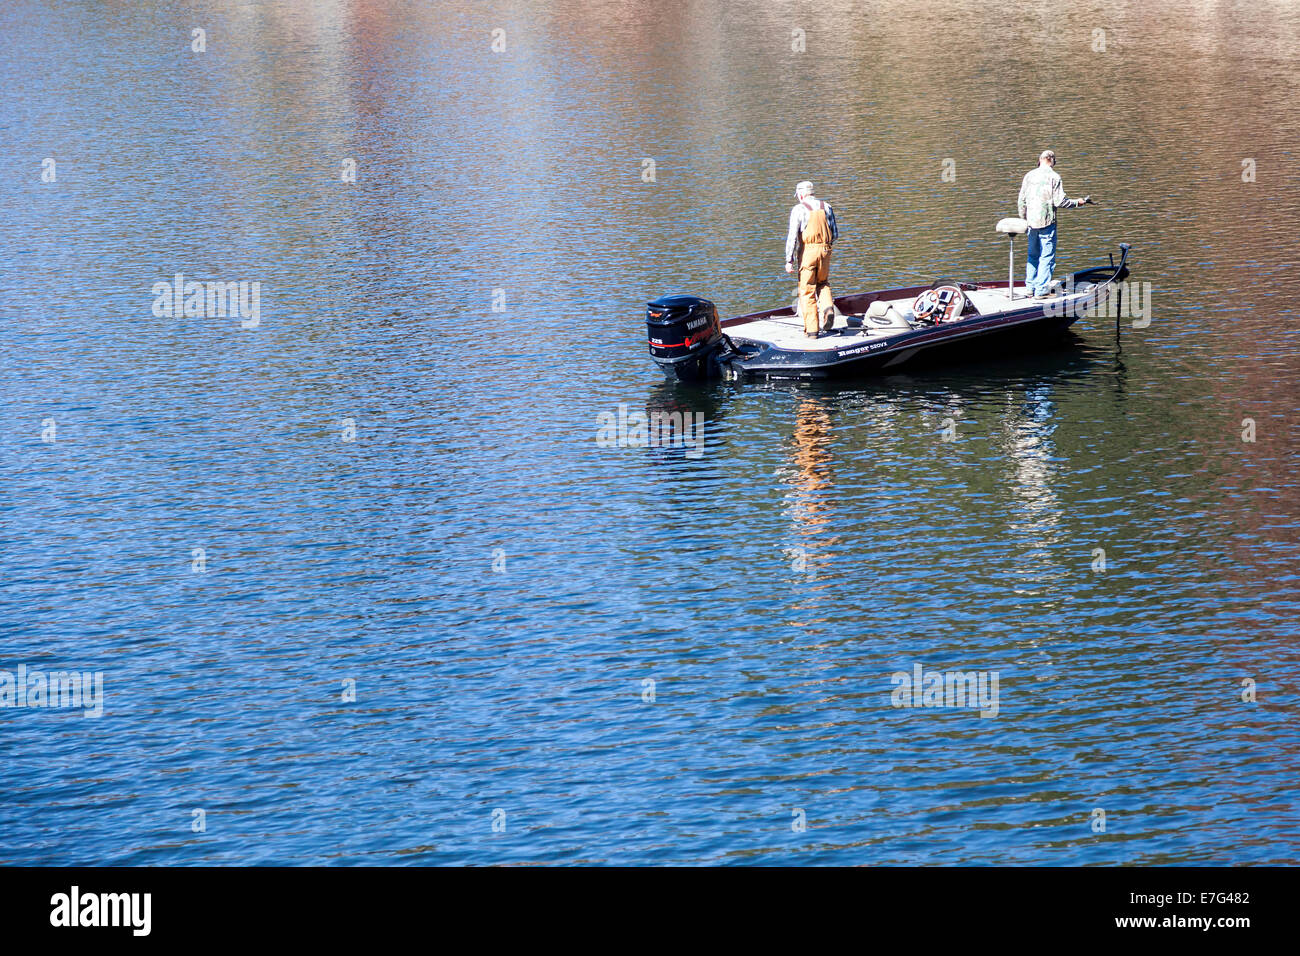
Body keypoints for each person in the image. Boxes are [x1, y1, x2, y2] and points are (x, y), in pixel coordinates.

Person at [1017, 150, 1092, 298]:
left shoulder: (1029, 176)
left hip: (1031, 223)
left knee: (1032, 255)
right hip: (1046, 223)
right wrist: (1078, 202)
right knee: (1047, 256)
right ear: (1052, 161)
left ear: (1040, 160)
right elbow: (1060, 202)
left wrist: (1024, 219)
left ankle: (1030, 288)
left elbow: (1021, 201)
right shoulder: (1054, 177)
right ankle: (1041, 291)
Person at [784, 181, 838, 337]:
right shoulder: (826, 206)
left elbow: (792, 237)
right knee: (823, 283)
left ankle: (813, 331)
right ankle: (828, 309)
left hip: (808, 252)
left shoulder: (799, 209)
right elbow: (835, 234)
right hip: (826, 250)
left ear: (801, 195)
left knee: (807, 290)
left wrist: (789, 260)